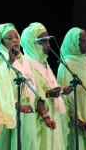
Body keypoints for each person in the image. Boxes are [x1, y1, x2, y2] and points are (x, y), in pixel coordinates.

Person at [0, 23, 56, 150]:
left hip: (28, 118)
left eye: (16, 37)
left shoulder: (26, 62)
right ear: (0, 41)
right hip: (7, 118)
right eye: (9, 38)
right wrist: (17, 106)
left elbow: (37, 91)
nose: (14, 40)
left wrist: (46, 117)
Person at [20, 22, 74, 150]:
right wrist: (49, 93)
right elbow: (31, 93)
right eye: (43, 41)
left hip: (54, 114)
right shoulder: (27, 64)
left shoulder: (45, 64)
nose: (48, 45)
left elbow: (46, 86)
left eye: (48, 40)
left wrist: (60, 90)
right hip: (40, 117)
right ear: (32, 43)